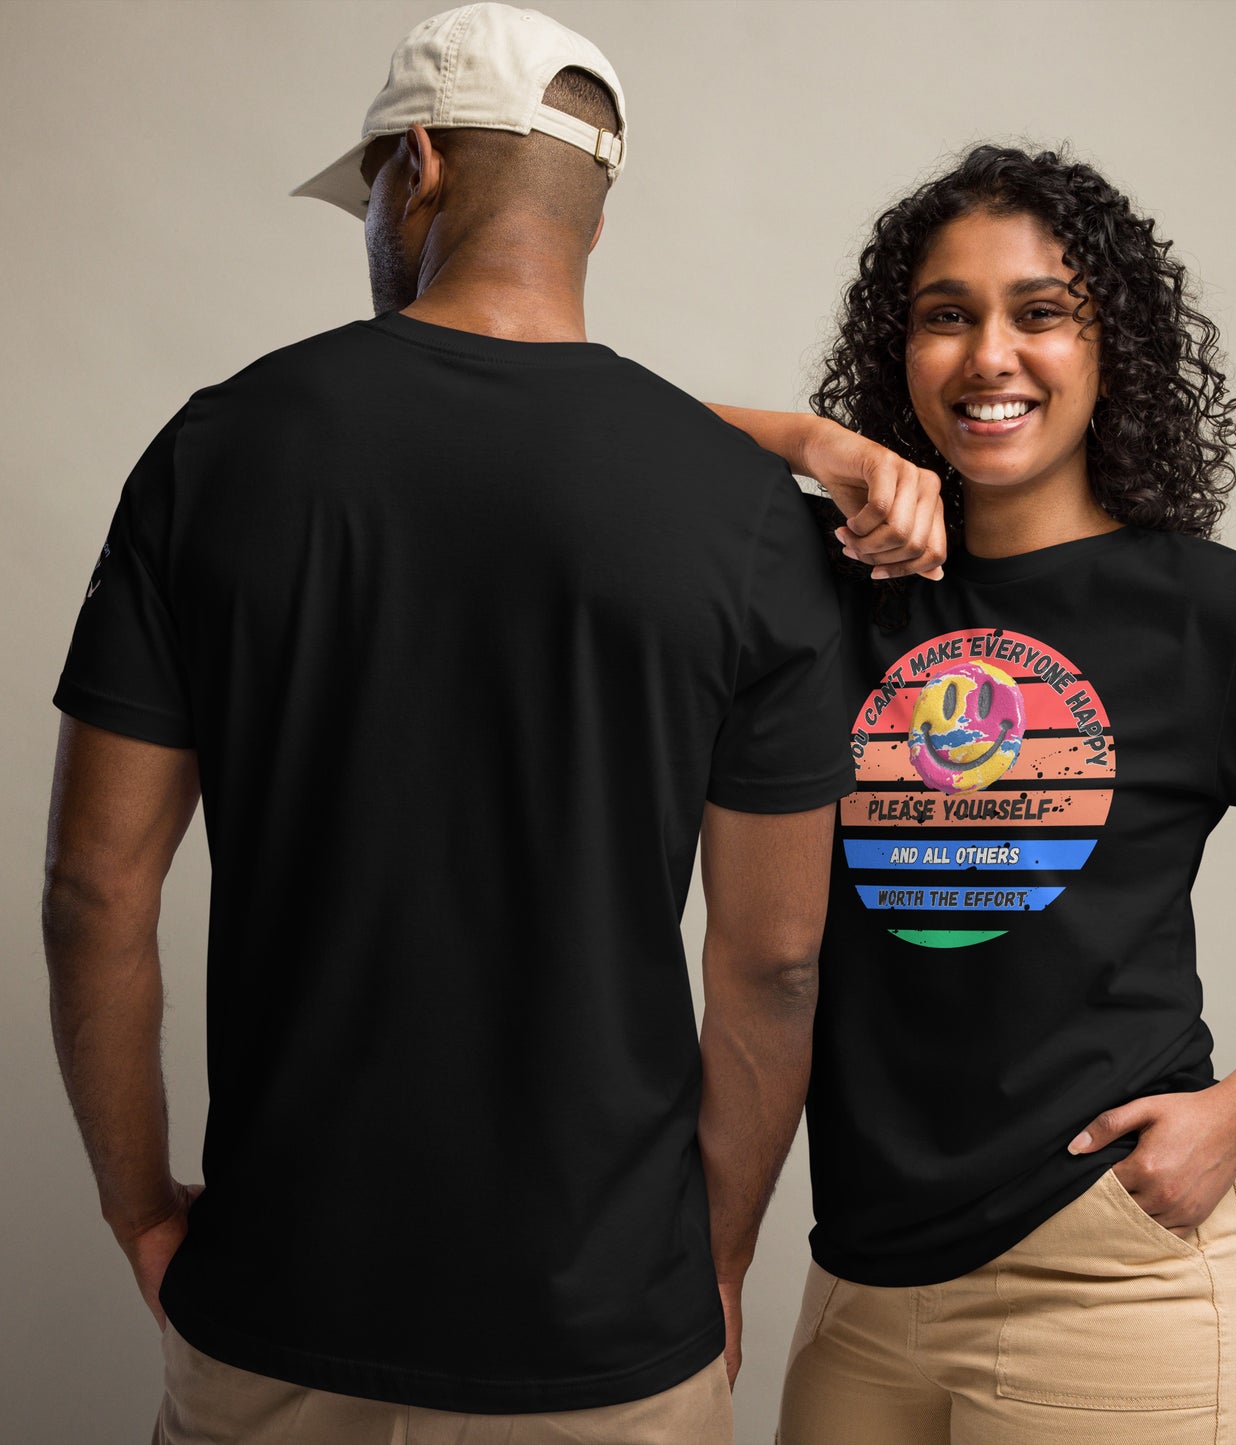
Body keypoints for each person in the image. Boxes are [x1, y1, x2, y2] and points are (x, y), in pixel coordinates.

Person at [42, 6, 855, 1443]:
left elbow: (94, 889)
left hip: (278, 1305)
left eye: (364, 189)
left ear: (412, 169)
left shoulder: (218, 451)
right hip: (607, 1339)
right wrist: (714, 1261)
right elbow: (773, 963)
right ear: (595, 210)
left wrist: (139, 1209)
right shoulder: (744, 522)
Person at [711, 143, 1236, 1443]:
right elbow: (589, 432)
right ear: (900, 349)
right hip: (860, 1287)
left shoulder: (1211, 618)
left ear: (1114, 349)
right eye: (947, 315)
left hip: (1110, 1283)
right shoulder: (828, 592)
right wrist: (814, 443)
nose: (990, 354)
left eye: (1039, 311)